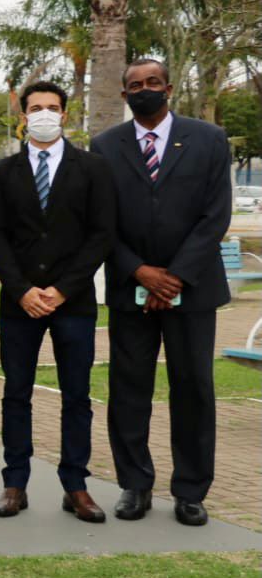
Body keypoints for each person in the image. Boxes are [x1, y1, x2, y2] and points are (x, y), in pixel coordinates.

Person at [96, 58, 232, 527]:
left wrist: (173, 276)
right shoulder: (104, 146)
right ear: (124, 95)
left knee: (193, 388)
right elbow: (101, 223)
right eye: (135, 85)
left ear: (169, 88)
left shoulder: (209, 139)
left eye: (152, 82)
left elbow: (215, 216)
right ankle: (135, 485)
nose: (144, 90)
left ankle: (191, 491)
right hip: (130, 289)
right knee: (129, 390)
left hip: (191, 290)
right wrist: (139, 272)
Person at [0, 81, 115, 523]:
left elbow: (102, 235)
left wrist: (62, 289)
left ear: (65, 114)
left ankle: (75, 486)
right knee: (15, 394)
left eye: (52, 107)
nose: (44, 114)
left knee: (76, 396)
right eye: (35, 107)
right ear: (23, 117)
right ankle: (14, 483)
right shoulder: (4, 172)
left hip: (72, 303)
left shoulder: (93, 169)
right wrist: (21, 289)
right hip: (19, 304)